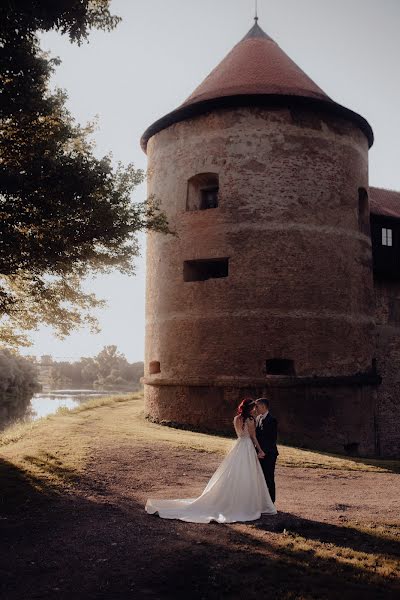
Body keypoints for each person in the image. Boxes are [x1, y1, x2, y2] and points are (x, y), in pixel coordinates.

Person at [145, 398, 277, 523]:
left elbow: (240, 434)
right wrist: (260, 450)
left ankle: (231, 499)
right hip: (247, 447)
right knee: (247, 474)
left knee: (232, 473)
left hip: (239, 446)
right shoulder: (250, 420)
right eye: (253, 408)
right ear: (249, 409)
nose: (255, 410)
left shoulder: (236, 418)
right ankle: (246, 502)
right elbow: (253, 437)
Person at [255, 398, 279, 503]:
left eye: (257, 406)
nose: (255, 409)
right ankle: (263, 501)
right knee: (261, 478)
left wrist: (263, 451)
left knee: (269, 478)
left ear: (264, 407)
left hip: (269, 454)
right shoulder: (258, 418)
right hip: (260, 453)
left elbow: (272, 439)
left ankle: (271, 502)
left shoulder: (272, 420)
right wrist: (258, 451)